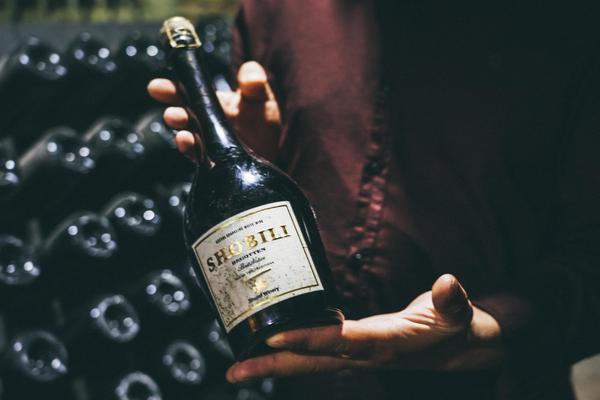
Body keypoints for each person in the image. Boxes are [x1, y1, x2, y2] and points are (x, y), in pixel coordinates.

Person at [148, 1, 600, 399]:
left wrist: (488, 328)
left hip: (489, 385)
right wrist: (266, 156)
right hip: (306, 384)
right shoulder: (277, 7)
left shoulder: (572, 25)